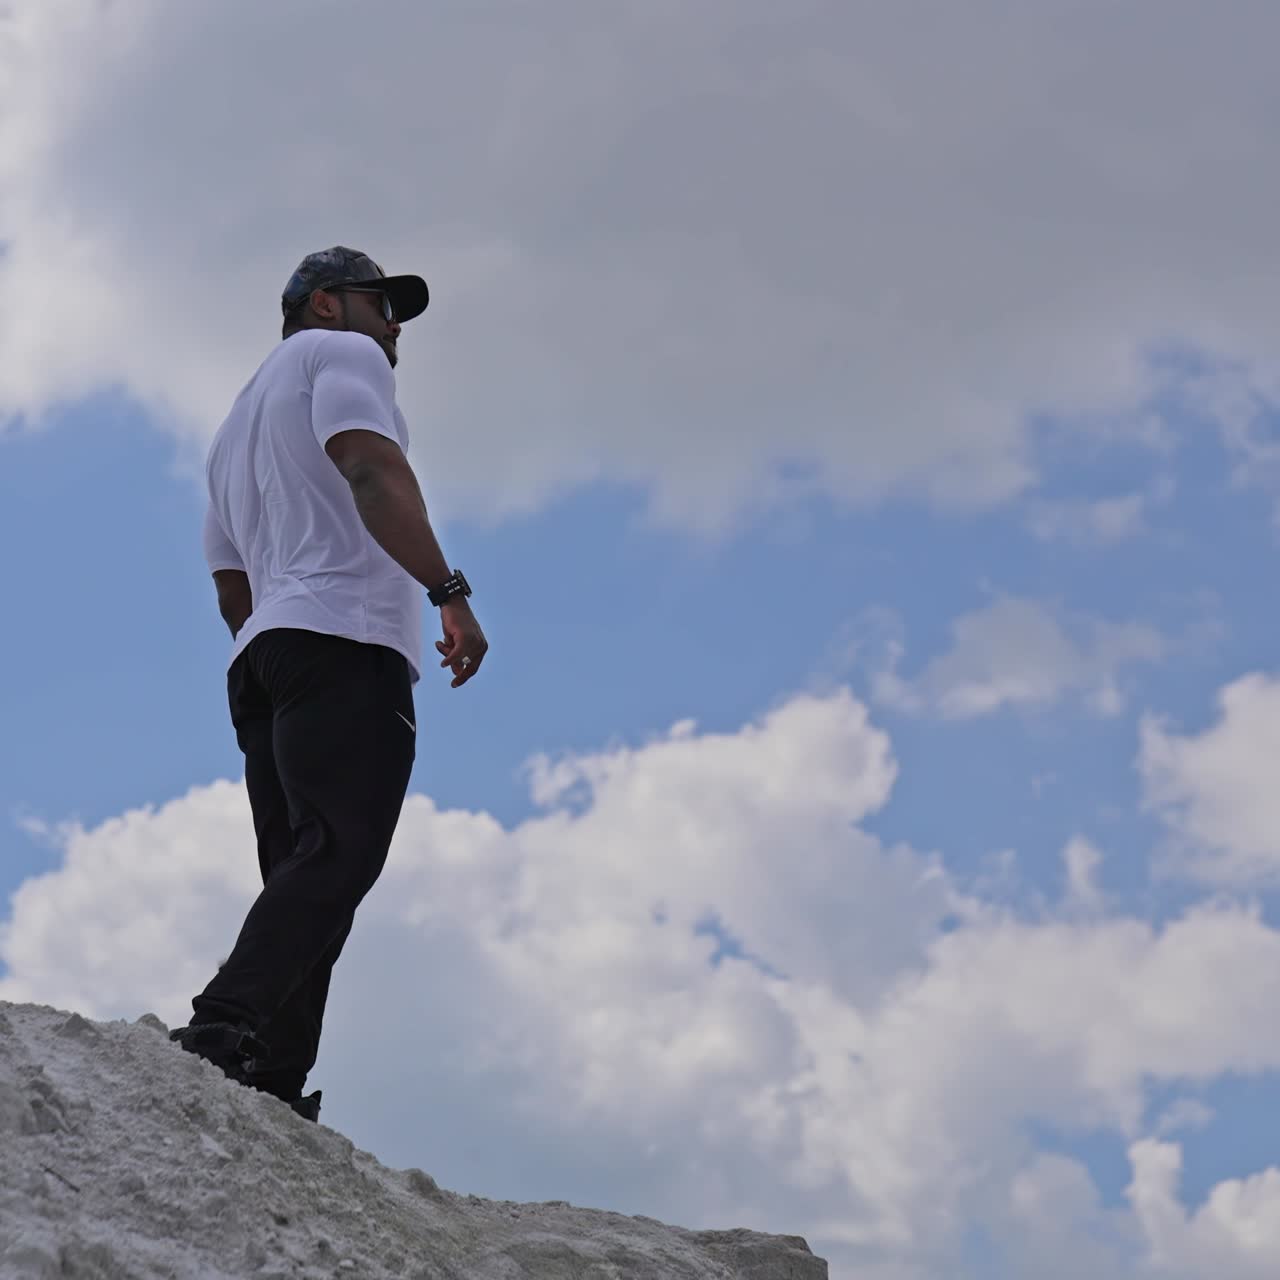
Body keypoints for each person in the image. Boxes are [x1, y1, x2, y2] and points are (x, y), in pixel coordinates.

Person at [168, 246, 488, 1124]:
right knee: (341, 854)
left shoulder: (231, 432)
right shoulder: (341, 356)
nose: (393, 326)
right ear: (323, 306)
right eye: (381, 303)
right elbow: (370, 470)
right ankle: (221, 1024)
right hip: (343, 637)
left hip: (263, 656)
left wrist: (274, 650)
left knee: (304, 872)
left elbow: (230, 584)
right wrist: (449, 592)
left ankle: (270, 1076)